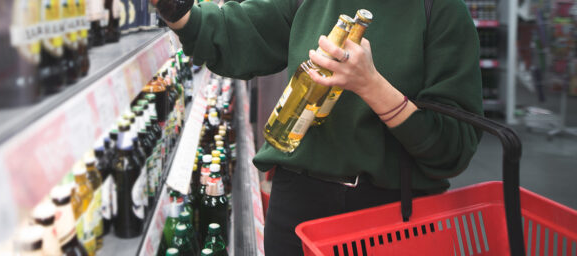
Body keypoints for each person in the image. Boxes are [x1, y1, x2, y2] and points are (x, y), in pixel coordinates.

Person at [151, 0, 483, 254]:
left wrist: (371, 86)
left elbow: (451, 149)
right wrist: (174, 7)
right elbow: (240, 31)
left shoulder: (439, 10)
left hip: (391, 216)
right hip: (298, 207)